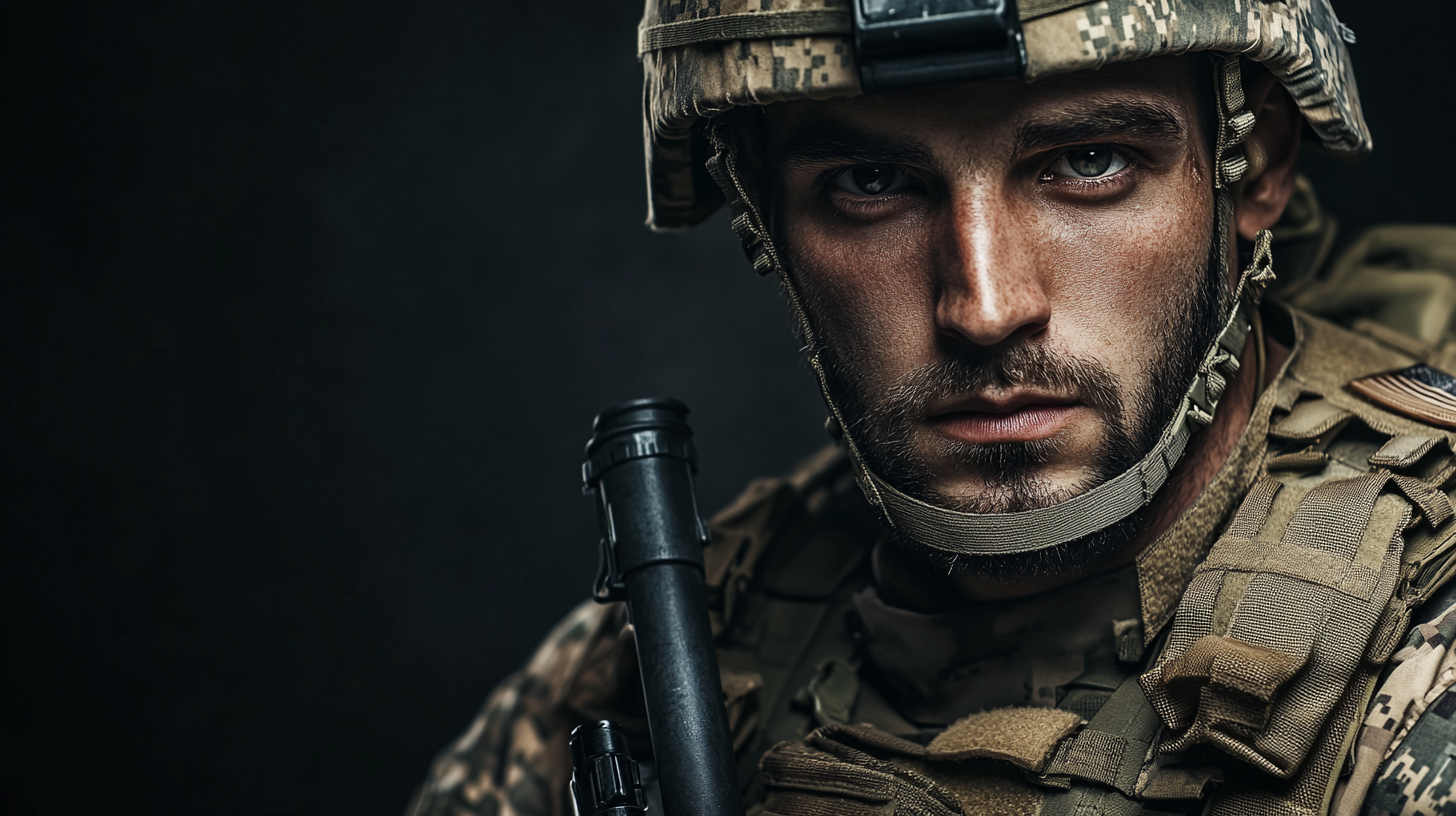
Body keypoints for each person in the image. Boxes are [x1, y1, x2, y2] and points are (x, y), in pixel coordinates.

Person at [408, 2, 1456, 814]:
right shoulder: (685, 640)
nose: (985, 307)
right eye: (871, 181)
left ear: (1250, 164)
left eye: (1088, 164)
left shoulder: (1429, 643)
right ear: (764, 216)